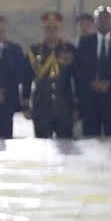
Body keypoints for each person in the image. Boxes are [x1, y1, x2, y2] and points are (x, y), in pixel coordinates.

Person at [74, 5, 111, 139]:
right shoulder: (85, 42)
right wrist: (91, 82)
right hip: (90, 99)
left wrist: (110, 83)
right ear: (95, 22)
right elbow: (78, 68)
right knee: (90, 139)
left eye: (107, 18)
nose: (104, 21)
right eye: (100, 19)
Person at [26, 11, 78, 140]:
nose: (51, 31)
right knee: (42, 145)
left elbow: (77, 79)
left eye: (55, 28)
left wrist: (77, 107)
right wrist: (26, 104)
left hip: (65, 106)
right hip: (41, 107)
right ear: (43, 30)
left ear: (60, 29)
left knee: (66, 146)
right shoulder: (34, 51)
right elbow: (26, 79)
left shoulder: (69, 49)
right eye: (48, 28)